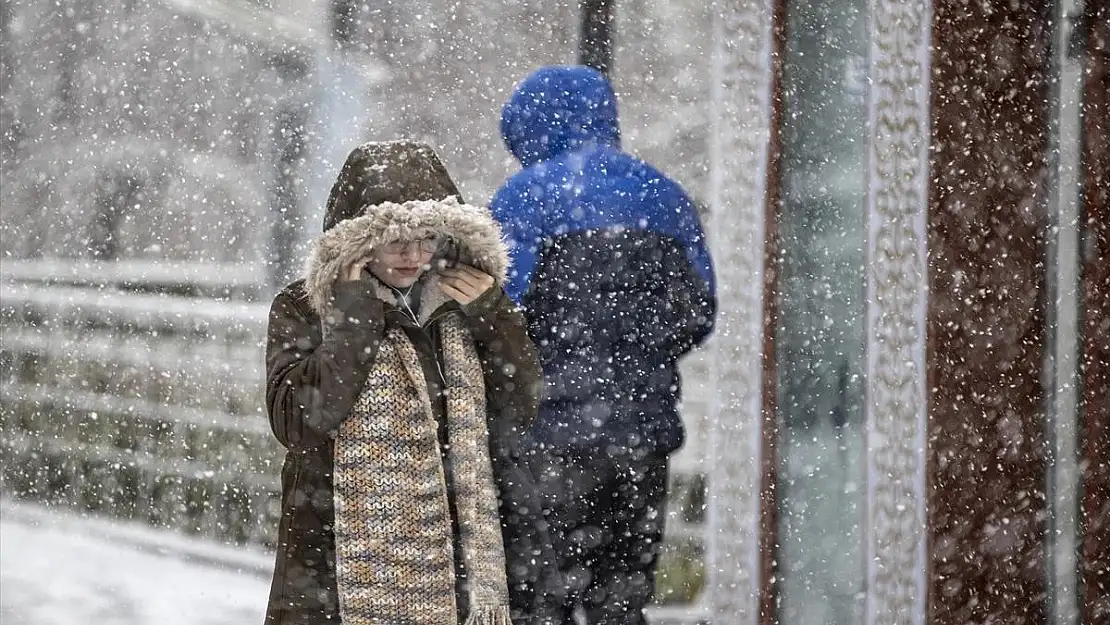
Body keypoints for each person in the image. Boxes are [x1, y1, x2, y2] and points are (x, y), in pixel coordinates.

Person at [264, 140, 558, 625]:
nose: (413, 254)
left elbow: (521, 404)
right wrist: (353, 320)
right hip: (334, 568)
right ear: (356, 241)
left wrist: (494, 316)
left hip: (456, 564)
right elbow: (298, 422)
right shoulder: (304, 308)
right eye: (396, 239)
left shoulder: (463, 302)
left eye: (427, 238)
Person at [490, 66, 717, 625]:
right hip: (641, 435)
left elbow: (499, 318)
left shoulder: (522, 200)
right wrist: (631, 358)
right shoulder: (665, 197)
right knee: (622, 595)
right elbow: (697, 313)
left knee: (539, 598)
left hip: (544, 437)